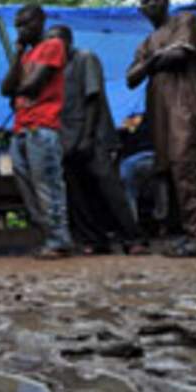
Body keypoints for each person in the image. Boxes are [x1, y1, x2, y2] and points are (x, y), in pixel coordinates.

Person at [127, 0, 196, 257]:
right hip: (160, 112)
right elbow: (131, 78)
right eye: (146, 1)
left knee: (185, 165)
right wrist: (155, 59)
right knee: (168, 170)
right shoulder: (147, 41)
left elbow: (180, 55)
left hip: (185, 104)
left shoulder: (185, 20)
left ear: (167, 2)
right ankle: (188, 234)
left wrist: (149, 63)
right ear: (141, 10)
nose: (152, 4)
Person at [46, 25, 147, 255]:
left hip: (93, 134)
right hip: (66, 136)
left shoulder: (85, 58)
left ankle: (132, 238)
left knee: (108, 187)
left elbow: (93, 98)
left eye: (56, 39)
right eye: (48, 40)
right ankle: (94, 239)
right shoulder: (52, 69)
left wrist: (87, 135)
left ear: (68, 40)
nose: (52, 44)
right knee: (78, 191)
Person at [0, 4, 73, 259]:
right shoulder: (26, 56)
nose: (21, 29)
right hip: (21, 127)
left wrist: (16, 89)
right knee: (28, 188)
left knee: (48, 186)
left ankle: (59, 239)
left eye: (26, 24)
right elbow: (5, 87)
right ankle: (47, 237)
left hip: (42, 125)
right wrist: (18, 53)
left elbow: (32, 85)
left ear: (40, 21)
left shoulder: (53, 46)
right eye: (18, 25)